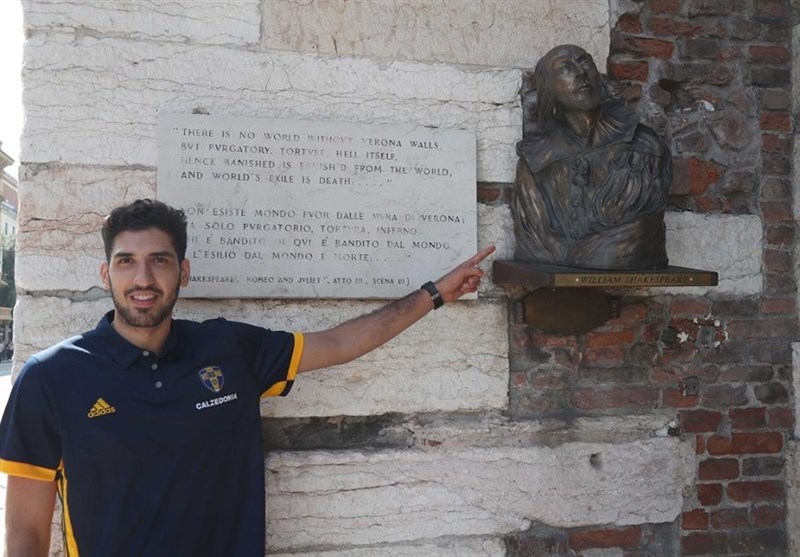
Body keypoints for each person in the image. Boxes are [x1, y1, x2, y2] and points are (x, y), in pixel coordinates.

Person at [0, 198, 495, 557]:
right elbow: (25, 530)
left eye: (159, 260)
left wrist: (434, 294)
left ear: (183, 272)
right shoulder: (50, 377)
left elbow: (341, 342)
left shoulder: (230, 350)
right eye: (126, 261)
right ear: (105, 274)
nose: (143, 278)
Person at [512, 44, 671, 270]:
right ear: (549, 89)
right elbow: (534, 242)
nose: (580, 72)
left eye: (584, 61)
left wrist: (592, 250)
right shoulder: (536, 160)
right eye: (565, 68)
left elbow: (644, 233)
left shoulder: (643, 147)